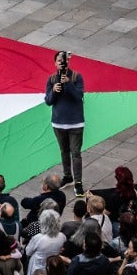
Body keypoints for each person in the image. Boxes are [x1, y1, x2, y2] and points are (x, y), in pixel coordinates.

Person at [44, 52, 85, 191]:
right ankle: (68, 176)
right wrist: (54, 91)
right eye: (59, 61)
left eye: (64, 61)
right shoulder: (51, 79)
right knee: (64, 151)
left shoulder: (76, 77)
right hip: (58, 123)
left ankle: (78, 183)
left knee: (76, 153)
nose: (62, 63)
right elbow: (48, 101)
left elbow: (78, 97)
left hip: (75, 123)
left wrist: (68, 84)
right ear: (55, 63)